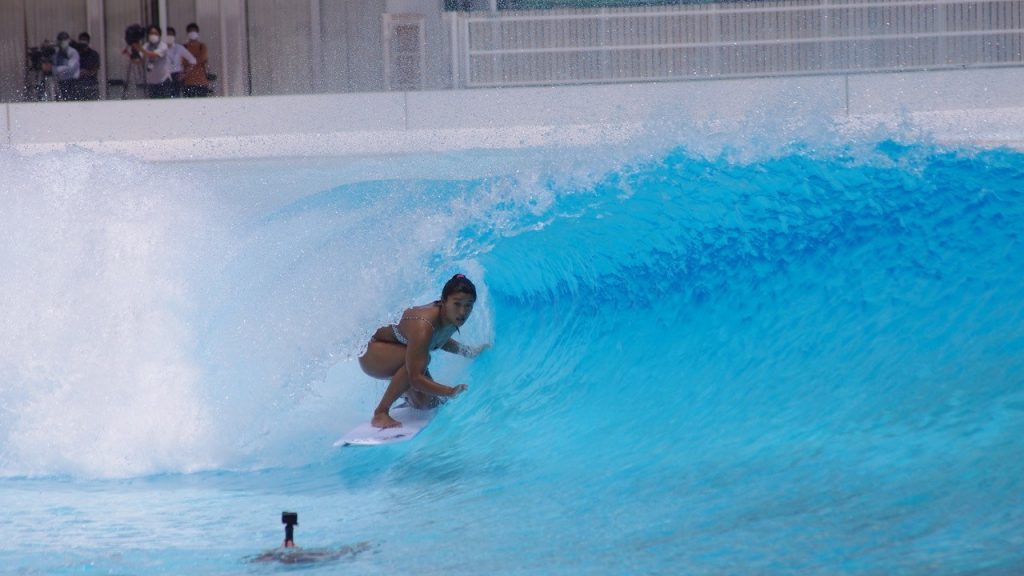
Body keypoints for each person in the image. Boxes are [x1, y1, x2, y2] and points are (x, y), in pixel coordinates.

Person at [358, 274, 489, 429]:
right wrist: (449, 391)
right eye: (457, 304)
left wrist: (468, 352)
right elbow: (415, 378)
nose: (462, 311)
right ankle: (380, 412)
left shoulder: (447, 317)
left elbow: (440, 339)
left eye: (468, 305)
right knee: (420, 362)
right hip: (372, 352)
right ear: (444, 301)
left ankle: (406, 397)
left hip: (393, 350)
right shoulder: (424, 326)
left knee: (428, 404)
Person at [136, 25, 173, 98]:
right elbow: (138, 61)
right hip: (151, 83)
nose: (153, 35)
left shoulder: (163, 46)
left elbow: (152, 55)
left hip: (164, 81)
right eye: (151, 33)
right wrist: (130, 52)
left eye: (155, 33)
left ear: (159, 35)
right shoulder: (146, 46)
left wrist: (139, 47)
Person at [46, 32, 80, 101]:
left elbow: (71, 68)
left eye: (65, 39)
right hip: (60, 82)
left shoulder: (73, 52)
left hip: (72, 83)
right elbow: (53, 64)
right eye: (61, 40)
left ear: (68, 40)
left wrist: (53, 69)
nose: (63, 42)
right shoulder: (57, 53)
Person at [164, 27, 196, 97]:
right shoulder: (161, 48)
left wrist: (185, 74)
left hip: (176, 75)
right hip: (164, 75)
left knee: (176, 96)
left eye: (171, 34)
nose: (169, 36)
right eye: (167, 34)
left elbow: (193, 61)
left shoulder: (179, 48)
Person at [181, 23, 211, 97]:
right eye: (190, 31)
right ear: (187, 33)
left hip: (202, 81)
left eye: (194, 31)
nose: (192, 33)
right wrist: (195, 59)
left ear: (197, 33)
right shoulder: (184, 47)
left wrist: (191, 60)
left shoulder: (202, 46)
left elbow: (203, 58)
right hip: (187, 82)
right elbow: (182, 61)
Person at [75, 32, 101, 100]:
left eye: (85, 40)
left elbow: (95, 69)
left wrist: (86, 72)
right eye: (81, 40)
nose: (83, 42)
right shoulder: (75, 54)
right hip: (78, 87)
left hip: (91, 86)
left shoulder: (94, 54)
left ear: (88, 41)